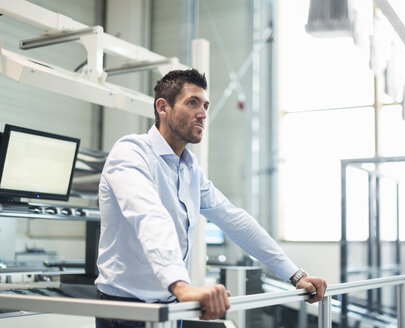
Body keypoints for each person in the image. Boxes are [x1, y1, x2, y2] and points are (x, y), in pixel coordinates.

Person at [95, 69, 327, 328]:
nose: (203, 114)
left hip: (170, 310)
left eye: (205, 105)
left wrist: (295, 275)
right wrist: (182, 286)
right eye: (192, 102)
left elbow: (233, 219)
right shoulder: (130, 153)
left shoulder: (189, 167)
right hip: (125, 313)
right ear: (163, 107)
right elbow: (149, 217)